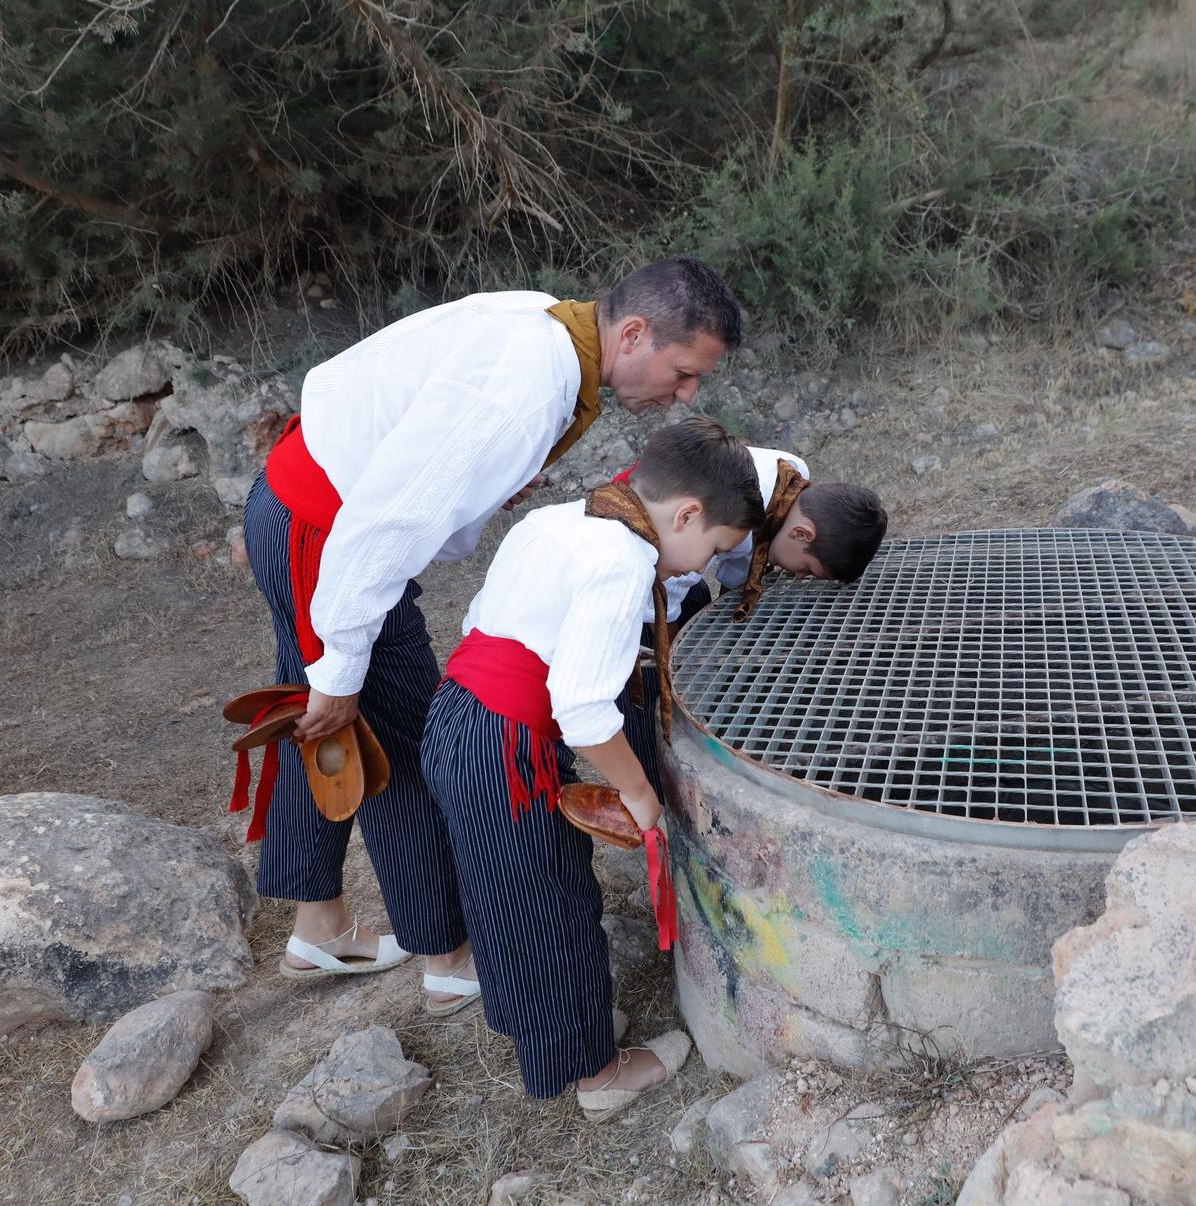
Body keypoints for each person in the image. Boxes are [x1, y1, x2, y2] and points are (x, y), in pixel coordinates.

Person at [238, 256, 741, 1012]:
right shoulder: (527, 386)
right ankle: (448, 955)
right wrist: (340, 667)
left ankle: (317, 924)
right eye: (684, 371)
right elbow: (384, 525)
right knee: (395, 739)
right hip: (327, 536)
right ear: (633, 334)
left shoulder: (552, 330)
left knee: (328, 716)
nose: (687, 394)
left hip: (302, 508)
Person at [420, 418, 764, 1115]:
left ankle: (545, 1028)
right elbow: (581, 706)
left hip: (456, 715)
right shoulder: (622, 560)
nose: (702, 568)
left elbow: (488, 619)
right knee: (554, 903)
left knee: (502, 892)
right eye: (715, 549)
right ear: (687, 513)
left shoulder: (562, 519)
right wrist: (638, 791)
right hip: (505, 746)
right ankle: (595, 1073)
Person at [616, 444, 888, 771]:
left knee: (698, 605)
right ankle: (653, 771)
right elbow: (662, 596)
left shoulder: (792, 481)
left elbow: (743, 565)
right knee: (649, 689)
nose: (798, 576)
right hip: (637, 565)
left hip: (674, 564)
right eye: (806, 569)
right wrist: (671, 660)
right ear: (802, 533)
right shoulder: (732, 513)